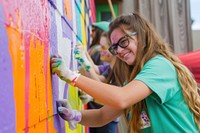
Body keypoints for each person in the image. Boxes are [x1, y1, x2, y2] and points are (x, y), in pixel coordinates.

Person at [51, 12, 200, 133]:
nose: (119, 51)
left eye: (123, 42)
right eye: (114, 47)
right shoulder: (134, 80)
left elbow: (121, 98)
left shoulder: (159, 65)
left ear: (142, 36)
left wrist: (71, 76)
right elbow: (102, 115)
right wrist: (75, 115)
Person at [74, 32, 119, 133]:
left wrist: (85, 62)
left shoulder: (119, 73)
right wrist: (84, 54)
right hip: (100, 116)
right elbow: (96, 70)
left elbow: (99, 85)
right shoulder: (110, 68)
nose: (99, 49)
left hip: (108, 121)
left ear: (113, 50)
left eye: (103, 47)